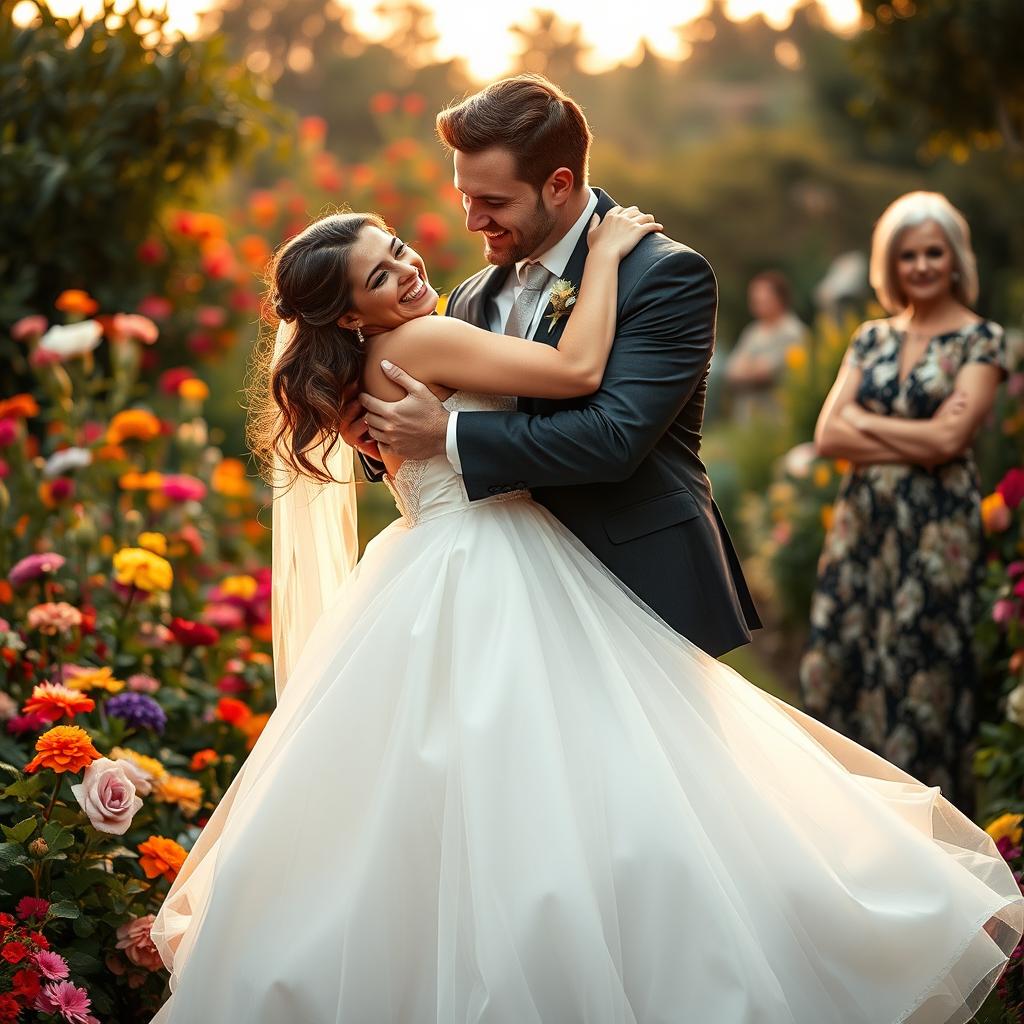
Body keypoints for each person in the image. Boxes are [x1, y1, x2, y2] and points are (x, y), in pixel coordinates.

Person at [145, 223, 1022, 1023]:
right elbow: (575, 375)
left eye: (401, 247)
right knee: (593, 773)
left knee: (445, 796)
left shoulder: (358, 368)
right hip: (494, 559)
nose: (411, 268)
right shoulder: (425, 336)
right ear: (350, 311)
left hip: (423, 564)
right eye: (382, 273)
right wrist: (603, 260)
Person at [347, 75, 761, 659]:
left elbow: (614, 439)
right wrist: (381, 436)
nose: (471, 220)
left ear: (559, 184)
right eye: (465, 196)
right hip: (509, 597)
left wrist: (447, 435)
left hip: (636, 578)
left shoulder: (664, 276)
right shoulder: (469, 297)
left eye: (493, 202)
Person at [801, 190, 1009, 816]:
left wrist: (869, 422)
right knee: (848, 661)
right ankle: (851, 828)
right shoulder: (870, 338)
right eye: (909, 255)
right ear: (891, 265)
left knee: (922, 676)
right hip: (865, 528)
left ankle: (934, 840)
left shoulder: (982, 340)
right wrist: (917, 443)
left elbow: (951, 440)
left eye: (934, 253)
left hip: (936, 534)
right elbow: (827, 435)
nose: (921, 266)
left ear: (955, 259)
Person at [723, 270, 809, 422]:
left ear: (779, 298)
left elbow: (767, 371)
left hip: (778, 419)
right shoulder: (752, 331)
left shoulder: (793, 332)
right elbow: (731, 370)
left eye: (763, 297)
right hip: (749, 421)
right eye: (754, 298)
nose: (756, 301)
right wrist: (752, 367)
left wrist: (748, 367)